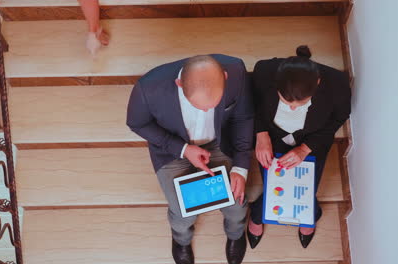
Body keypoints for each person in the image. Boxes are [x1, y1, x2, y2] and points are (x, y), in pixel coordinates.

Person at [126, 55, 254, 264]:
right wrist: (183, 149)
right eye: (198, 106)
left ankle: (236, 234)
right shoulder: (147, 89)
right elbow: (136, 123)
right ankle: (182, 240)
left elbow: (243, 118)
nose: (205, 111)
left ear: (225, 76)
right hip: (172, 149)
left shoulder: (237, 71)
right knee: (182, 211)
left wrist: (240, 167)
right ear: (179, 84)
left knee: (237, 203)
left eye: (213, 105)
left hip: (220, 143)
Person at [247, 46, 351, 249]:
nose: (293, 108)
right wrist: (261, 134)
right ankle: (267, 216)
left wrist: (305, 148)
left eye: (300, 103)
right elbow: (252, 103)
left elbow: (339, 117)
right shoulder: (263, 71)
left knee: (305, 188)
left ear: (318, 83)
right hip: (272, 136)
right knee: (274, 182)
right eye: (286, 102)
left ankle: (266, 214)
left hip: (313, 141)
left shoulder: (337, 84)